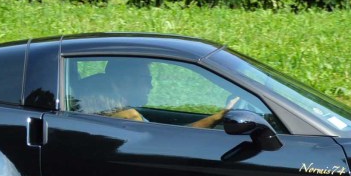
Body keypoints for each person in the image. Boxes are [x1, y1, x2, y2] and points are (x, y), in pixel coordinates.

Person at [73, 58, 237, 128]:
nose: (151, 86)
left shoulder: (108, 115)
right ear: (125, 81)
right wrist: (218, 117)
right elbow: (170, 145)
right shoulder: (128, 119)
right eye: (146, 79)